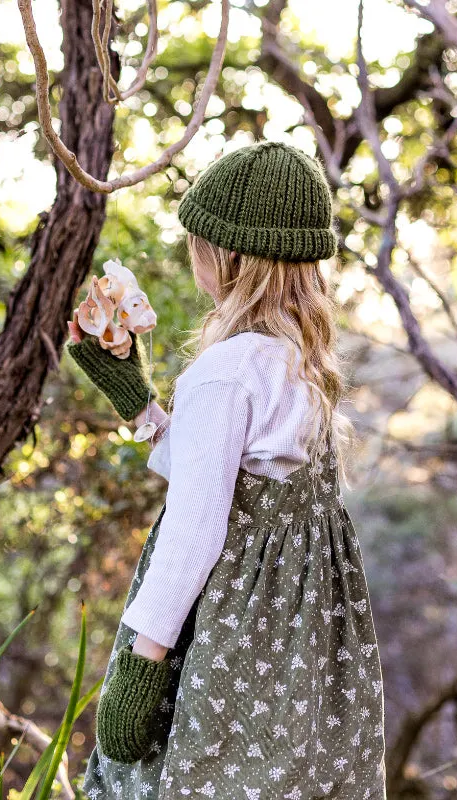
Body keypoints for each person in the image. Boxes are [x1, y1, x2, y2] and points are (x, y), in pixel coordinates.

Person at [66, 140, 386, 800]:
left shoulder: (227, 371)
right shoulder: (297, 357)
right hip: (299, 646)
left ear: (230, 255)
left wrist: (142, 662)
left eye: (198, 244)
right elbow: (240, 486)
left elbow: (196, 528)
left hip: (230, 637)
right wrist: (142, 406)